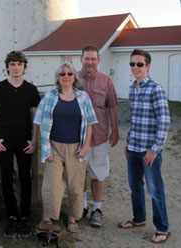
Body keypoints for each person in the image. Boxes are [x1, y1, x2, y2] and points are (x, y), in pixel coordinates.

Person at [33, 62, 97, 233]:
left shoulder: (83, 97)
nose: (66, 77)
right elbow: (39, 121)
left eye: (69, 74)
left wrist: (85, 147)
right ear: (58, 78)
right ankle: (48, 217)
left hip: (76, 147)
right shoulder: (50, 96)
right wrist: (45, 147)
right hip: (54, 146)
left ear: (74, 77)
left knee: (75, 185)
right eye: (62, 74)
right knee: (52, 184)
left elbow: (91, 123)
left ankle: (72, 218)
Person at [118, 49, 170, 243]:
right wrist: (127, 142)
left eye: (139, 64)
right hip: (133, 147)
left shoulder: (156, 88)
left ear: (148, 66)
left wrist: (154, 150)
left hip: (149, 151)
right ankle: (139, 218)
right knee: (135, 186)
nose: (135, 68)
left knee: (155, 189)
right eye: (132, 64)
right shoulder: (132, 88)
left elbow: (164, 121)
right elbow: (135, 120)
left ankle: (162, 228)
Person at [0, 50, 41, 238]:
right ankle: (12, 217)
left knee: (26, 179)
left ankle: (25, 217)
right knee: (7, 179)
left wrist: (34, 140)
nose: (16, 67)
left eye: (19, 64)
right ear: (7, 67)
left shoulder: (31, 90)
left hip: (25, 141)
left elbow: (35, 117)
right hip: (4, 142)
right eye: (12, 64)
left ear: (24, 67)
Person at [77, 45, 119, 227]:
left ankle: (97, 210)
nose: (90, 62)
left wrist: (115, 130)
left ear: (98, 61)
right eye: (87, 58)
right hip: (76, 138)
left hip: (99, 137)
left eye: (93, 59)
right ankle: (83, 207)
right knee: (80, 175)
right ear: (81, 59)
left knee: (98, 174)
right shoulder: (72, 79)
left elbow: (112, 106)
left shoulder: (107, 81)